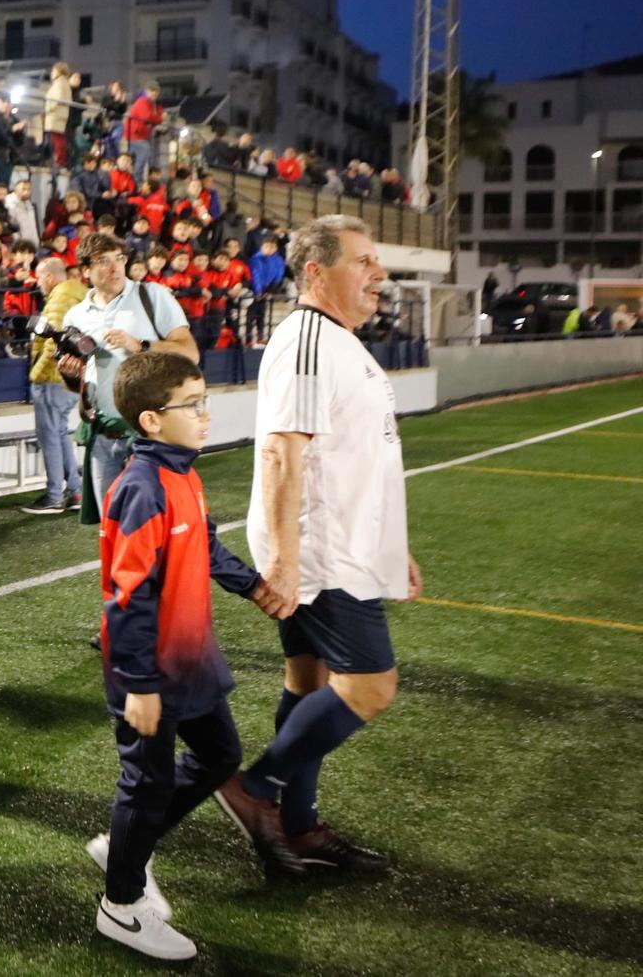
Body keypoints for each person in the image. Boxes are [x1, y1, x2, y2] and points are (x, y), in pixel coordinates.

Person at [215, 216, 417, 876]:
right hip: (320, 549)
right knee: (373, 685)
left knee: (310, 682)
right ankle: (255, 788)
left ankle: (298, 827)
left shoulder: (337, 340)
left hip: (338, 545)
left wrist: (393, 546)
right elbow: (280, 450)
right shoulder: (306, 336)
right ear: (314, 273)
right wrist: (284, 557)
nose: (377, 273)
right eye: (363, 260)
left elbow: (358, 454)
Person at [93, 351, 283, 960]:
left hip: (191, 658)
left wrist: (252, 586)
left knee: (220, 755)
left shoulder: (184, 475)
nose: (206, 414)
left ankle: (127, 848)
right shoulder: (142, 489)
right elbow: (127, 597)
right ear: (152, 420)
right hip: (148, 669)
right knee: (144, 784)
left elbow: (204, 546)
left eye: (204, 401)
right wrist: (141, 685)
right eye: (192, 404)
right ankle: (120, 906)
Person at [60, 233, 199, 519]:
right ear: (85, 270)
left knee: (155, 526)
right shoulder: (75, 316)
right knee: (111, 529)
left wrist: (140, 346)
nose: (114, 268)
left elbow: (190, 353)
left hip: (150, 434)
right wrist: (72, 376)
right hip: (102, 434)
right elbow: (80, 384)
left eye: (119, 259)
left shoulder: (152, 295)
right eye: (103, 261)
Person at [26, 256, 88, 515]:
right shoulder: (78, 293)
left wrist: (39, 371)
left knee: (49, 437)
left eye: (39, 277)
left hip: (54, 378)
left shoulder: (61, 297)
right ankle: (75, 491)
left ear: (49, 276)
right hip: (72, 379)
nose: (38, 283)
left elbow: (55, 340)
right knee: (60, 434)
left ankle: (53, 496)